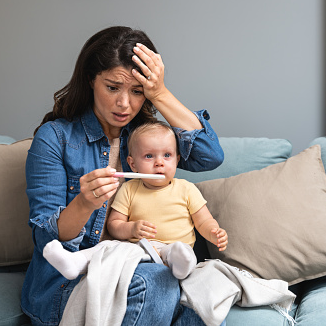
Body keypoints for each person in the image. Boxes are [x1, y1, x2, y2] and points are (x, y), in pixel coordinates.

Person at [21, 26, 224, 326]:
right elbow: (45, 238)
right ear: (91, 80)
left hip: (140, 264)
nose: (124, 104)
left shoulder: (146, 140)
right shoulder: (56, 138)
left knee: (205, 304)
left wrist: (160, 92)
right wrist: (84, 203)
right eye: (113, 87)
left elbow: (210, 155)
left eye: (137, 91)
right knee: (160, 281)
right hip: (72, 280)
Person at [42, 121, 228, 281]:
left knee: (180, 252)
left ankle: (181, 268)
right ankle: (76, 263)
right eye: (149, 156)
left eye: (167, 155)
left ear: (177, 160)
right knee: (108, 246)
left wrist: (213, 232)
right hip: (138, 250)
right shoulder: (129, 189)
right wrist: (131, 229)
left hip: (173, 249)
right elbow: (114, 225)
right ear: (132, 164)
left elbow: (203, 220)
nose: (159, 163)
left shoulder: (186, 188)